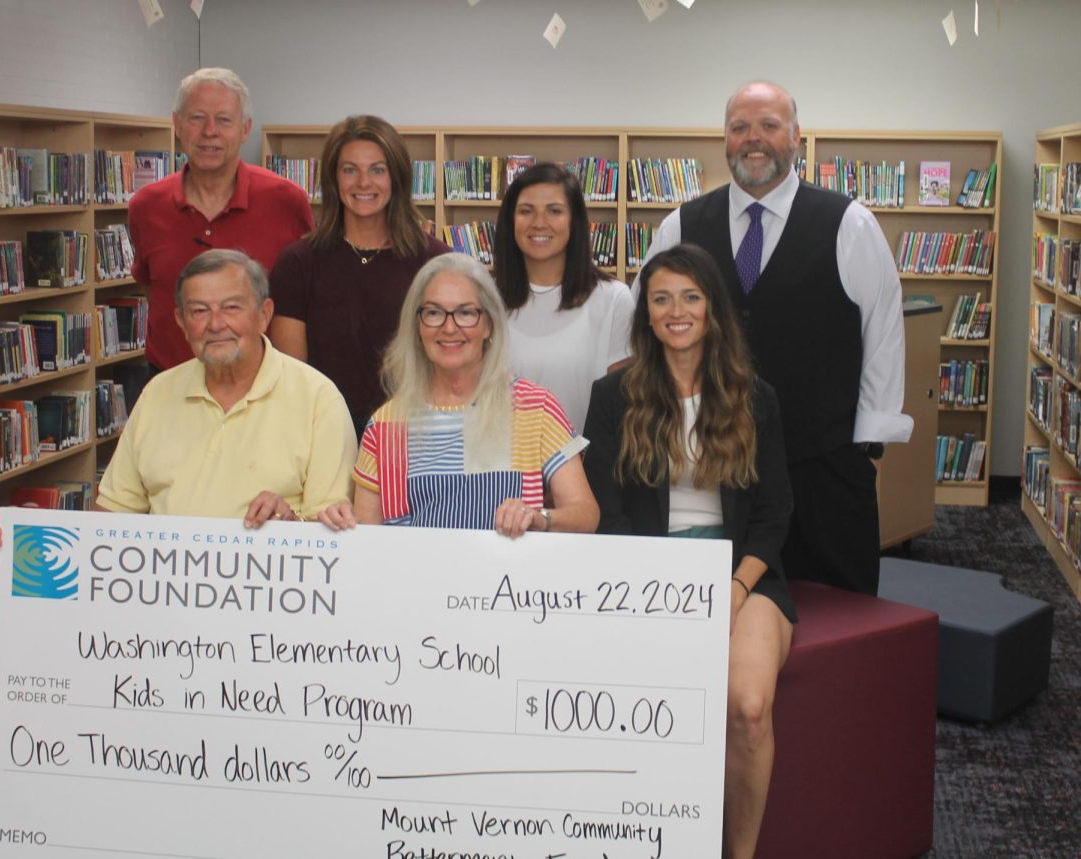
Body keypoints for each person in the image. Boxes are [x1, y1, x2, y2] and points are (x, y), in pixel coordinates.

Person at [633, 80, 912, 596]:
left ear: (796, 136)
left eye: (768, 126)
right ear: (724, 140)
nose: (753, 139)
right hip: (711, 470)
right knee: (718, 616)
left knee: (836, 618)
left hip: (821, 468)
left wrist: (866, 442)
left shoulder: (848, 223)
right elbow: (642, 329)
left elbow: (884, 334)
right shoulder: (682, 226)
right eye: (740, 128)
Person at [584, 243, 794, 859]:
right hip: (650, 574)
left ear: (713, 310)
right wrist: (663, 589)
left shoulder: (756, 397)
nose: (677, 311)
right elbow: (608, 513)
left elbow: (776, 512)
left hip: (743, 575)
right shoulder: (613, 395)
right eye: (661, 298)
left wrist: (730, 591)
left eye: (691, 297)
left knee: (749, 708)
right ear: (646, 314)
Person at [0, 249, 355, 545]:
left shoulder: (318, 400)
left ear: (264, 314)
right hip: (165, 612)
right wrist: (31, 533)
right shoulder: (158, 393)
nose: (215, 324)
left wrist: (290, 520)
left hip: (268, 610)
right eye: (199, 311)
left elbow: (333, 537)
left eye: (231, 307)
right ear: (180, 321)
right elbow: (114, 516)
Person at [318, 252, 598, 537]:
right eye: (434, 313)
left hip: (508, 580)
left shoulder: (536, 408)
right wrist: (342, 523)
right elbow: (368, 541)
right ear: (417, 327)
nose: (449, 328)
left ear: (488, 324)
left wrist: (541, 517)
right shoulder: (386, 425)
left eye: (466, 313)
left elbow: (586, 514)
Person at [269, 115, 451, 437]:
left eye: (377, 170)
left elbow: (448, 363)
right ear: (333, 179)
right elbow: (292, 378)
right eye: (350, 169)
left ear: (397, 177)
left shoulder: (435, 263)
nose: (363, 182)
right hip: (324, 435)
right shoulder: (298, 263)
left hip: (415, 434)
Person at [129, 67, 313, 374]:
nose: (209, 131)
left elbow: (303, 300)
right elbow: (155, 288)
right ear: (177, 124)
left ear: (245, 129)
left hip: (260, 389)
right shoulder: (145, 207)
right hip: (171, 386)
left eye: (224, 120)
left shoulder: (287, 201)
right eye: (197, 118)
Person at [493, 161, 633, 430]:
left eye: (554, 211)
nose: (539, 223)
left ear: (575, 221)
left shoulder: (613, 299)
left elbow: (621, 408)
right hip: (504, 466)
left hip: (587, 466)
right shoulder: (485, 301)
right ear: (510, 220)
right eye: (526, 211)